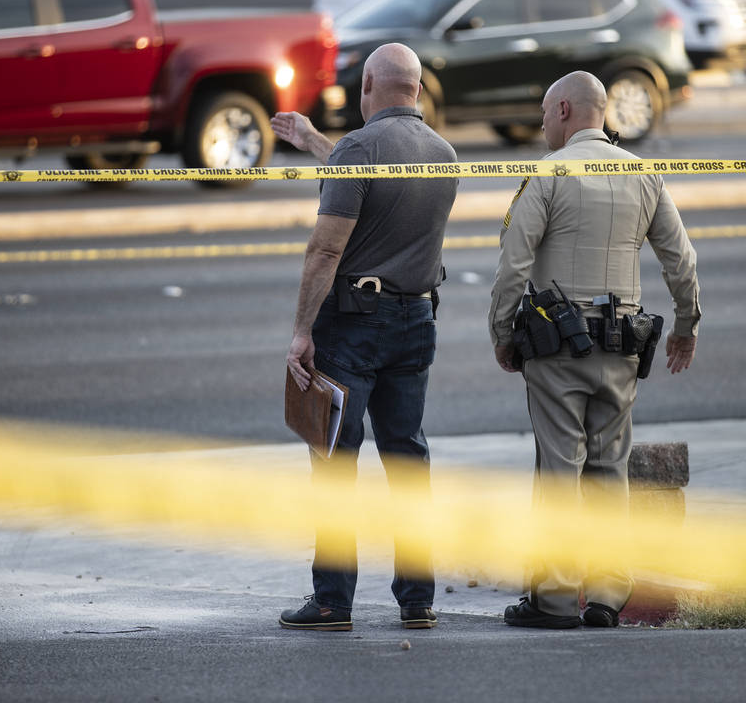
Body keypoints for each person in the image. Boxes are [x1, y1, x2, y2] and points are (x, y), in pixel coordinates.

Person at [488, 71, 700, 629]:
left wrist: (502, 335)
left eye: (542, 112)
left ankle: (554, 598)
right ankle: (606, 593)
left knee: (560, 469)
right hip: (623, 346)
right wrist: (686, 324)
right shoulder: (643, 174)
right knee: (610, 467)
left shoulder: (550, 174)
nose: (539, 124)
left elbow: (513, 264)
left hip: (557, 349)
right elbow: (681, 259)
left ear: (562, 111)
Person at [272, 43, 459, 632]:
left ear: (370, 83)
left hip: (354, 323)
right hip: (416, 322)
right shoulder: (443, 154)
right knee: (407, 458)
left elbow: (327, 247)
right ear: (418, 88)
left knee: (335, 459)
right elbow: (372, 184)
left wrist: (302, 331)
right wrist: (312, 143)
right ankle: (418, 599)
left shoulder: (358, 149)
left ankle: (333, 602)